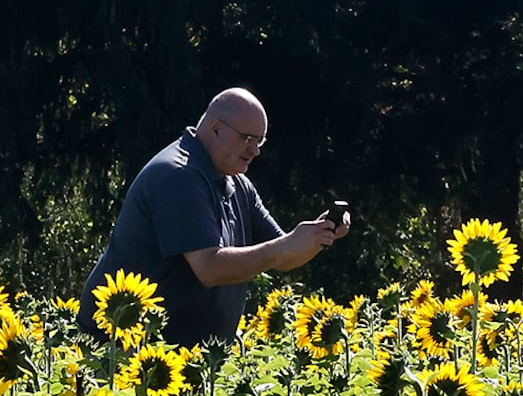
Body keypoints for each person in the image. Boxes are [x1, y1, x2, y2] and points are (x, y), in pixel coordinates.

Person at [77, 88, 350, 346]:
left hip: (185, 357)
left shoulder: (238, 184)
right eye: (248, 138)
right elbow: (209, 267)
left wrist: (318, 234)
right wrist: (286, 246)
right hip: (119, 351)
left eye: (260, 140)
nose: (255, 150)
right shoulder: (179, 175)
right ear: (216, 128)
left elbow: (283, 258)